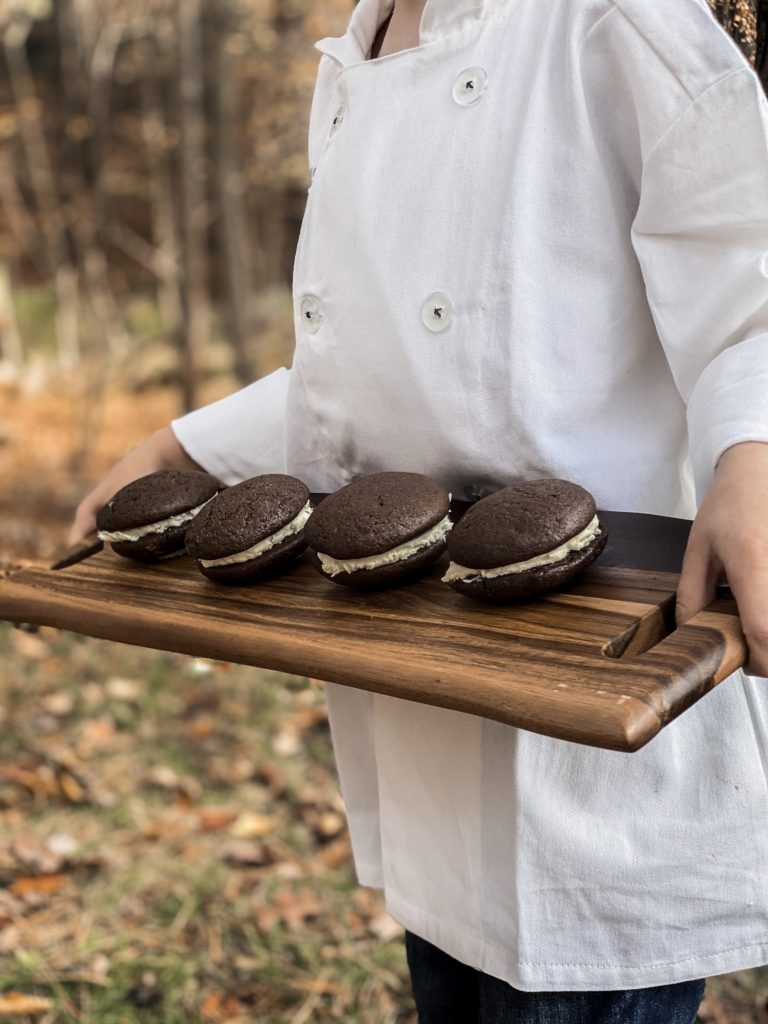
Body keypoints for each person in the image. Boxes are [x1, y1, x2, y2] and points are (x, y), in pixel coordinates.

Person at [70, 0, 768, 1020]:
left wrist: (752, 454)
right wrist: (190, 447)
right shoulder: (360, 49)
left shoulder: (609, 16)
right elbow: (371, 364)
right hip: (426, 685)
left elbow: (744, 262)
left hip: (599, 703)